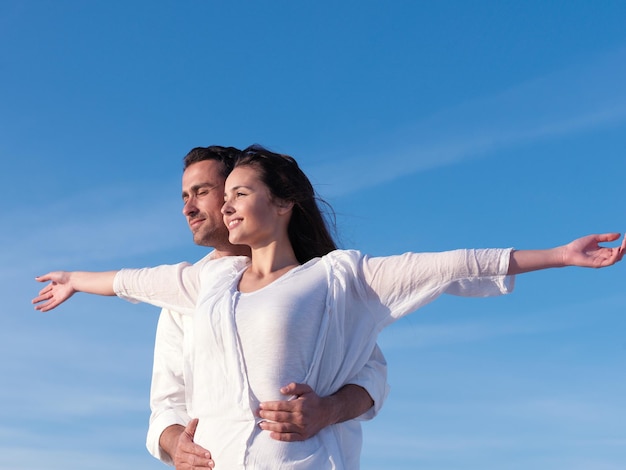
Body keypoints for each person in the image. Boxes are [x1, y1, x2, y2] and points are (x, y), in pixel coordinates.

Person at [33, 145, 625, 469]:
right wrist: (73, 279)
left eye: (233, 193)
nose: (216, 207)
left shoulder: (338, 280)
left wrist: (557, 255)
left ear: (283, 203)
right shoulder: (200, 287)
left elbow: (448, 264)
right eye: (215, 196)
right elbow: (135, 282)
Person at [149, 146, 388, 469]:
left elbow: (371, 375)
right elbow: (166, 403)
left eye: (202, 192)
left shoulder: (318, 283)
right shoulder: (187, 295)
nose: (188, 209)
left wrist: (328, 410)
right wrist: (176, 443)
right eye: (184, 197)